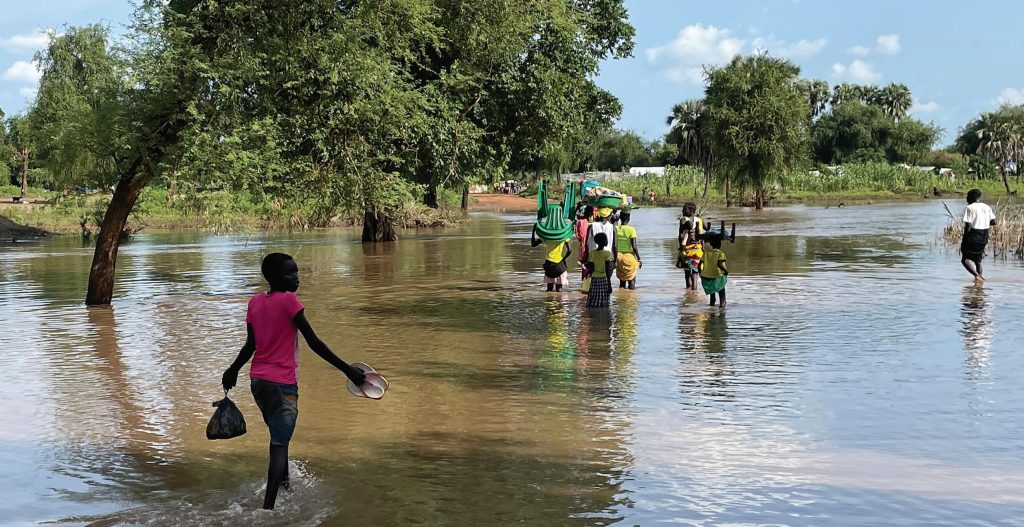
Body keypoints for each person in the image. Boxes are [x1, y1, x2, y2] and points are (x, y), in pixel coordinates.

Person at [222, 253, 367, 510]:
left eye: (296, 272)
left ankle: (286, 487)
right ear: (275, 277)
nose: (297, 277)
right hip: (282, 384)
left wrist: (232, 370)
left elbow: (250, 345)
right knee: (279, 445)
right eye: (291, 273)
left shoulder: (255, 302)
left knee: (279, 436)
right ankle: (267, 509)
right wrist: (348, 370)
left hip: (258, 382)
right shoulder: (290, 301)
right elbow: (314, 342)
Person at [961, 188, 997, 282]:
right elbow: (994, 222)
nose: (966, 199)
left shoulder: (969, 207)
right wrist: (982, 222)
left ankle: (978, 276)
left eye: (967, 197)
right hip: (984, 236)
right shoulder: (987, 207)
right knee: (978, 260)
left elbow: (968, 225)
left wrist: (964, 239)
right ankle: (979, 280)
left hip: (973, 235)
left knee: (964, 259)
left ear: (972, 197)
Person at [532, 226, 572, 292]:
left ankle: (549, 301)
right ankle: (559, 301)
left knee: (549, 290)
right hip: (559, 265)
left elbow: (533, 244)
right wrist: (564, 259)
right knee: (559, 291)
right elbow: (570, 250)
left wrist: (533, 231)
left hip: (549, 264)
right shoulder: (564, 236)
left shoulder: (546, 236)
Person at [678, 203, 705, 290]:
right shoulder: (699, 220)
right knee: (695, 270)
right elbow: (706, 228)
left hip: (687, 249)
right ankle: (694, 289)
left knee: (687, 271)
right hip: (698, 248)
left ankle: (689, 290)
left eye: (684, 209)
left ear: (691, 211)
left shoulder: (683, 220)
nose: (682, 211)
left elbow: (681, 235)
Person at [699, 233, 729, 307]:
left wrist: (701, 273)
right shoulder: (721, 254)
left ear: (711, 245)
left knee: (712, 297)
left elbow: (699, 265)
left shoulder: (705, 253)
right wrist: (726, 271)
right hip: (717, 276)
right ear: (720, 245)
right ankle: (722, 309)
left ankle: (712, 308)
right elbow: (719, 264)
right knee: (722, 295)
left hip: (707, 277)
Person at [586, 232, 614, 308]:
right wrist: (609, 284)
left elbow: (591, 268)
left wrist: (588, 273)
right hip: (604, 279)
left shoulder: (592, 253)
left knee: (593, 299)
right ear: (605, 242)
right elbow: (608, 269)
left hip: (594, 279)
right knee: (604, 302)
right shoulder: (608, 254)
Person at [615, 211, 642, 289]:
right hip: (629, 257)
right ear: (629, 218)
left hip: (618, 257)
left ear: (620, 218)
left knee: (622, 283)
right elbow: (634, 246)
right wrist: (639, 259)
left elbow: (613, 245)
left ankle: (621, 298)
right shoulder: (631, 230)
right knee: (632, 282)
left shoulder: (615, 229)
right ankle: (631, 299)